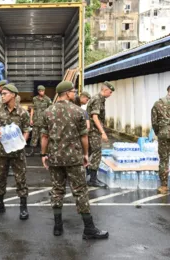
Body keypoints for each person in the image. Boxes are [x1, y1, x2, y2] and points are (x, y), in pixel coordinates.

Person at [41, 81, 108, 239]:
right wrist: (85, 154)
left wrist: (44, 155)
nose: (75, 94)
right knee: (80, 192)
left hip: (55, 158)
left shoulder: (48, 112)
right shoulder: (78, 112)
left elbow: (44, 136)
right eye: (73, 91)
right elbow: (84, 136)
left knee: (57, 191)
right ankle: (89, 229)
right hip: (74, 158)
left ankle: (58, 226)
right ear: (67, 93)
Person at [0, 84, 30, 220]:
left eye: (5, 93)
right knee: (0, 178)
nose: (2, 96)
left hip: (17, 152)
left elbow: (27, 130)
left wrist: (22, 142)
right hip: (1, 151)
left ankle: (23, 207)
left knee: (20, 179)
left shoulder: (23, 112)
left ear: (13, 95)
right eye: (2, 94)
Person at [86, 81, 114, 188]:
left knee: (88, 152)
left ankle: (83, 174)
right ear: (105, 90)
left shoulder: (99, 99)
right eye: (110, 92)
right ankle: (93, 179)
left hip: (91, 130)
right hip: (94, 131)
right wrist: (102, 132)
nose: (110, 94)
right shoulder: (98, 99)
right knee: (97, 152)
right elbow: (95, 117)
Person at [151, 85, 170, 194]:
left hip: (163, 134)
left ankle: (163, 186)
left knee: (164, 160)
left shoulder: (157, 104)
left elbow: (154, 122)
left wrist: (159, 132)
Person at [27, 85, 52, 157]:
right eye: (40, 91)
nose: (42, 92)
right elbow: (32, 109)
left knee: (43, 137)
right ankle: (32, 151)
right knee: (34, 137)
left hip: (44, 122)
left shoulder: (47, 99)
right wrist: (31, 119)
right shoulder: (35, 99)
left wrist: (48, 121)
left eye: (43, 91)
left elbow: (50, 111)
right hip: (36, 121)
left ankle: (43, 152)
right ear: (38, 91)